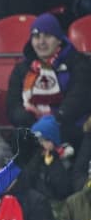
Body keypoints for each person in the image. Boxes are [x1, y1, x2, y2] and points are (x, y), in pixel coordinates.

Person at [6, 12, 91, 152]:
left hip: (69, 128)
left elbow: (79, 97)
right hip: (31, 127)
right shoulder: (22, 69)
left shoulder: (77, 63)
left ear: (59, 39)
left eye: (47, 36)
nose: (41, 42)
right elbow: (13, 105)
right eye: (36, 36)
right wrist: (35, 124)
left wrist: (54, 121)